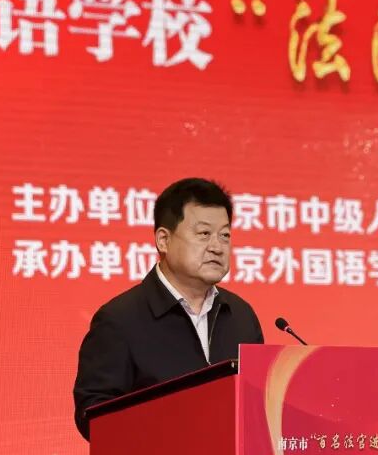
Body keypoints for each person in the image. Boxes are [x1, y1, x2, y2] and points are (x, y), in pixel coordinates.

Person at [73, 177, 264, 439]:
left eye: (225, 235)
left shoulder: (241, 316)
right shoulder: (119, 320)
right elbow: (94, 417)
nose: (217, 247)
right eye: (204, 234)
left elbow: (259, 405)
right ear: (163, 240)